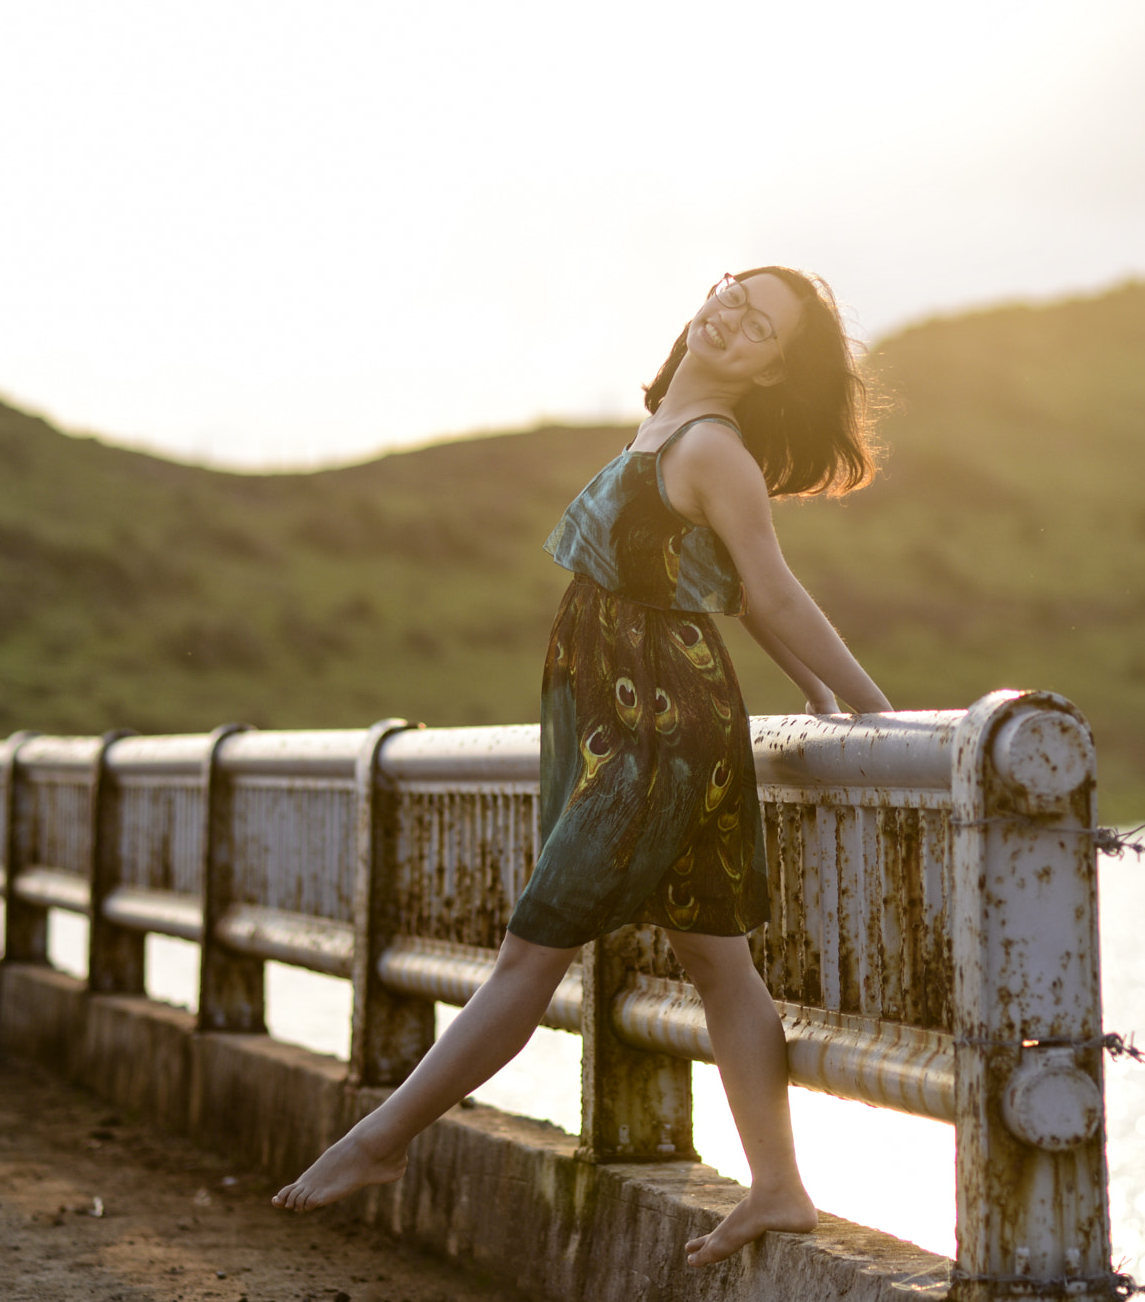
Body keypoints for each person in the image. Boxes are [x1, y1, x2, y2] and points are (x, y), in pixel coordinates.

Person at [273, 267, 892, 1268]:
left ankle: (377, 1140)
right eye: (735, 290)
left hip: (659, 724)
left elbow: (771, 593)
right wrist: (810, 691)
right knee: (714, 960)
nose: (731, 314)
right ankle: (778, 1185)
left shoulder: (710, 450)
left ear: (775, 368)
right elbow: (732, 592)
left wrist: (865, 708)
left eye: (762, 325)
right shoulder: (666, 432)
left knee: (533, 952)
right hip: (627, 714)